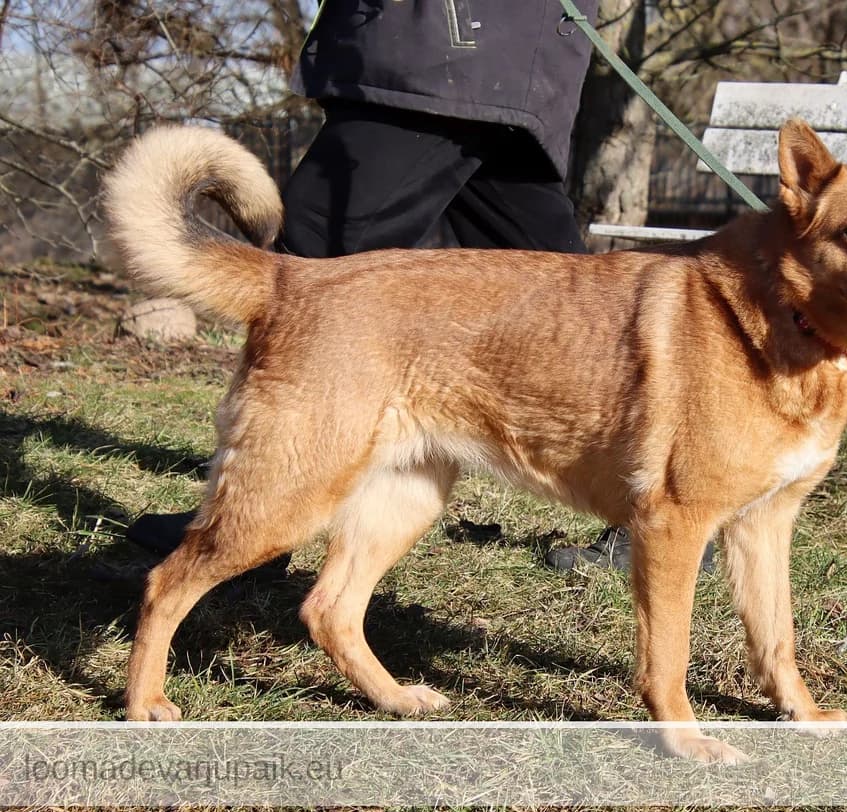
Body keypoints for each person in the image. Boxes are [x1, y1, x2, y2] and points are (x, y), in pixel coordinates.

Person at [127, 0, 713, 573]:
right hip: (500, 59)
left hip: (446, 46)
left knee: (306, 278)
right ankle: (675, 498)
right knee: (565, 301)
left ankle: (249, 527)